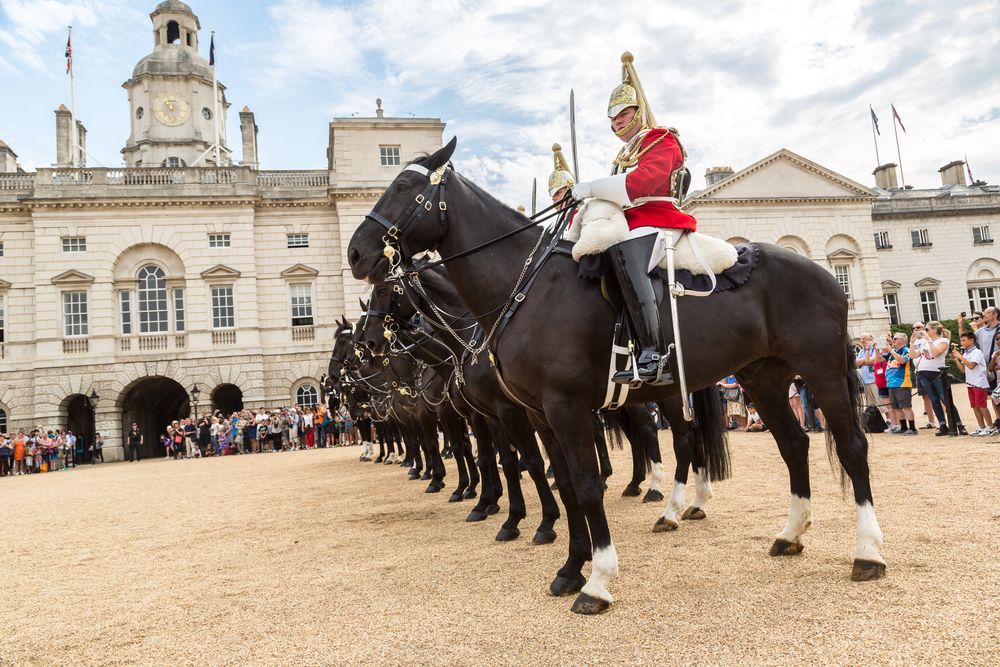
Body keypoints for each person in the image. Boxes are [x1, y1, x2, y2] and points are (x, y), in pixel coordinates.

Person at [571, 52, 695, 386]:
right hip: (632, 219)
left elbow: (639, 185)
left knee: (623, 252)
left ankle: (655, 354)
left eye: (623, 114)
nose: (617, 123)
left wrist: (591, 187)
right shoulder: (624, 153)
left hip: (659, 216)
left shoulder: (662, 139)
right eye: (612, 119)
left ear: (638, 112)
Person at [959, 307, 1000, 429]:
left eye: (987, 312)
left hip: (997, 365)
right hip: (988, 366)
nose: (984, 314)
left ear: (995, 315)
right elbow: (965, 338)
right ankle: (998, 419)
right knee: (994, 395)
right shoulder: (981, 331)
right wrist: (960, 323)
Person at [951, 332, 995, 435]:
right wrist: (956, 361)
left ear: (971, 340)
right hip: (970, 383)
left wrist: (961, 357)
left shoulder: (977, 352)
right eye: (961, 340)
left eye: (963, 340)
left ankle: (990, 427)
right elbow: (964, 370)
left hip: (979, 383)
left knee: (982, 406)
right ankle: (981, 426)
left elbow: (971, 366)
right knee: (975, 406)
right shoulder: (966, 353)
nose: (961, 342)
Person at [915, 321, 952, 436]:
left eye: (927, 329)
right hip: (923, 372)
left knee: (945, 399)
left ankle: (956, 423)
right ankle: (942, 425)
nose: (924, 332)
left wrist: (929, 340)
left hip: (937, 373)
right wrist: (912, 343)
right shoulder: (925, 343)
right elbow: (913, 355)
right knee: (934, 400)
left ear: (934, 330)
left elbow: (936, 353)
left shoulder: (943, 341)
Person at [882, 333, 916, 435]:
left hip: (902, 383)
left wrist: (891, 351)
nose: (893, 340)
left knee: (906, 406)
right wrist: (880, 349)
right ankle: (903, 427)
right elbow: (880, 359)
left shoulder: (906, 350)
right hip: (891, 383)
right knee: (896, 407)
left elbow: (902, 361)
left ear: (903, 341)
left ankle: (913, 428)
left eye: (895, 338)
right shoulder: (893, 352)